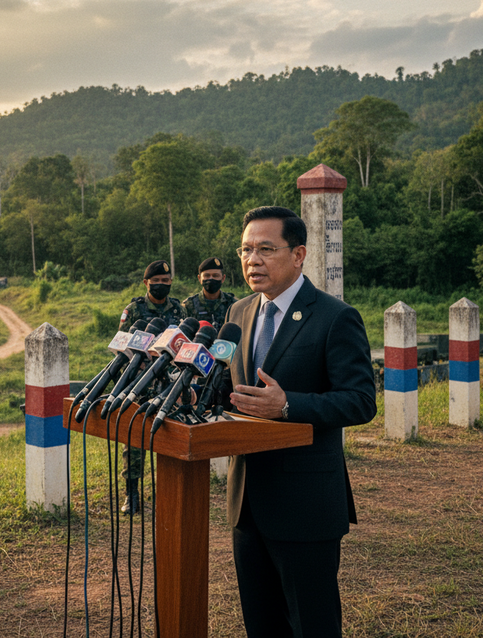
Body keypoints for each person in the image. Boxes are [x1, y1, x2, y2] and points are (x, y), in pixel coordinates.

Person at [222, 206, 377, 638]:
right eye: (246, 249)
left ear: (299, 254)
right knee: (262, 625)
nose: (253, 260)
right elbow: (228, 387)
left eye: (266, 249)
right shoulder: (237, 314)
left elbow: (360, 401)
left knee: (313, 625)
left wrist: (288, 405)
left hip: (304, 504)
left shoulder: (334, 316)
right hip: (246, 502)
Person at [118, 260, 186, 514]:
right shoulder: (134, 310)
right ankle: (132, 495)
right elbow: (122, 346)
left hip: (169, 382)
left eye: (165, 281)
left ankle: (171, 491)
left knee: (172, 434)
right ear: (146, 283)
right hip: (138, 380)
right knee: (134, 439)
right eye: (155, 282)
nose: (161, 286)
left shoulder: (178, 310)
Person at [182, 256, 238, 331]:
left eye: (215, 275)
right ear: (199, 279)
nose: (211, 279)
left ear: (223, 278)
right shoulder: (188, 306)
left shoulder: (233, 305)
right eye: (207, 275)